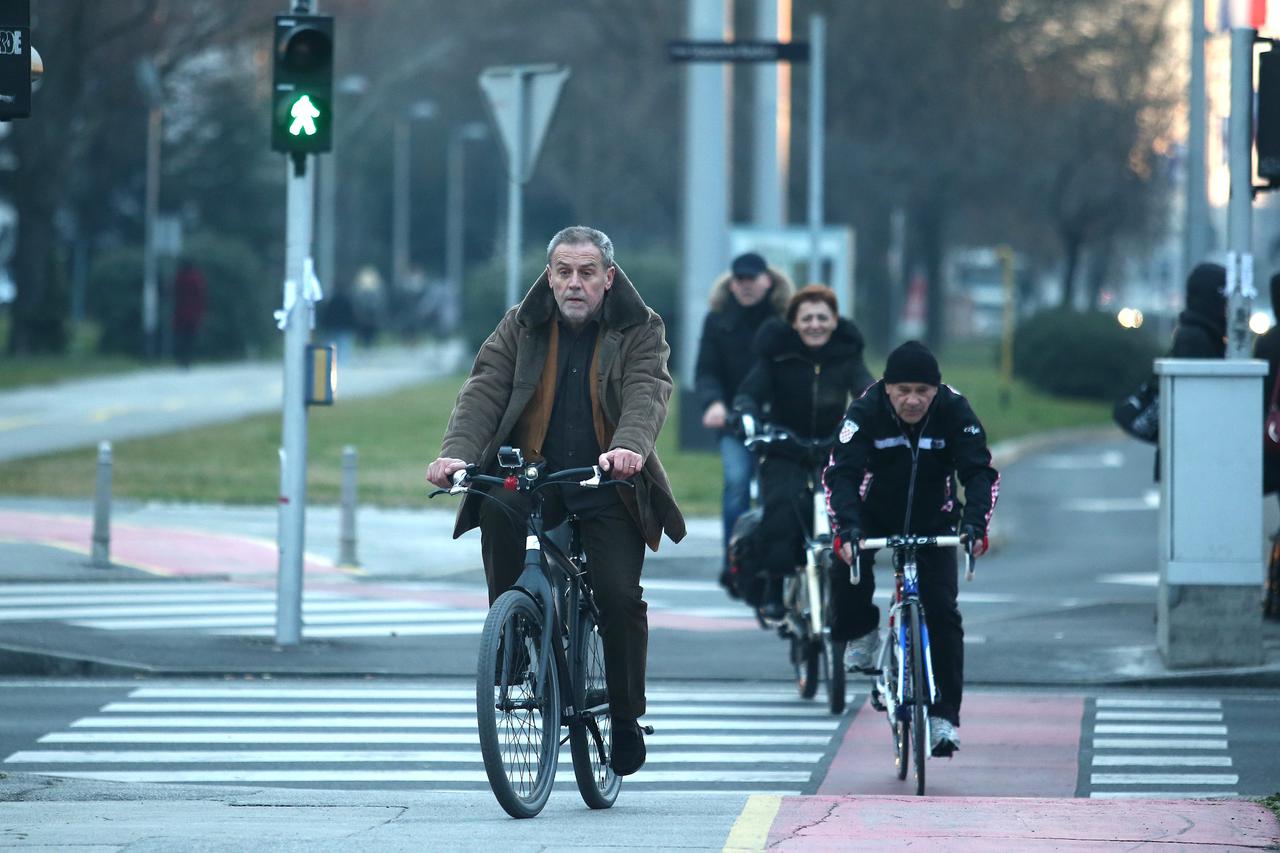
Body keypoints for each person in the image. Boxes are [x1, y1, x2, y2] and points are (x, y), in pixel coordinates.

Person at [425, 226, 685, 777]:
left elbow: (647, 391)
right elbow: (484, 390)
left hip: (605, 479)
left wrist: (628, 449)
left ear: (608, 279)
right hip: (535, 470)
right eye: (564, 271)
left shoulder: (640, 327)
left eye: (587, 272)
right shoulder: (521, 325)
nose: (574, 282)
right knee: (494, 502)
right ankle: (515, 633)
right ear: (549, 276)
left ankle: (623, 716)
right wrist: (455, 456)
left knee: (617, 596)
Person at [823, 340, 999, 758]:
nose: (913, 399)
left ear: (936, 390)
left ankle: (944, 718)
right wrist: (846, 530)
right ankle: (862, 632)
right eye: (903, 390)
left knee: (943, 612)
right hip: (871, 516)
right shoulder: (865, 411)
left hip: (933, 520)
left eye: (923, 390)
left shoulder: (956, 411)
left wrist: (974, 525)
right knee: (843, 565)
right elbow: (840, 476)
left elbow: (979, 474)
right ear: (887, 388)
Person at [732, 284, 874, 620]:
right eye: (806, 318)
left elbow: (866, 391)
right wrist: (747, 416)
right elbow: (749, 394)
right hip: (785, 446)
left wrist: (875, 412)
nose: (815, 324)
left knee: (849, 505)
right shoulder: (776, 355)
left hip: (833, 445)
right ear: (794, 323)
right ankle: (775, 582)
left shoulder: (847, 355)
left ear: (835, 321)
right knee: (781, 503)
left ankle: (849, 585)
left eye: (822, 317)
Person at [694, 252, 793, 592]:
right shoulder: (718, 319)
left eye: (752, 279)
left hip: (777, 420)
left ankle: (774, 565)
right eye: (740, 280)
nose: (746, 286)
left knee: (776, 491)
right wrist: (714, 403)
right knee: (736, 483)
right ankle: (734, 562)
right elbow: (706, 370)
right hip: (734, 422)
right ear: (731, 283)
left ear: (768, 280)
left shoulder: (786, 319)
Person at [171, 259, 207, 368]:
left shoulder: (179, 277)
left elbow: (172, 292)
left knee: (180, 338)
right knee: (190, 339)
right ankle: (188, 360)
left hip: (180, 313)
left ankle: (180, 359)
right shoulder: (197, 278)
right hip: (193, 314)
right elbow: (202, 295)